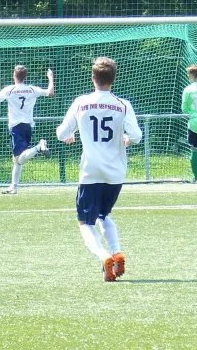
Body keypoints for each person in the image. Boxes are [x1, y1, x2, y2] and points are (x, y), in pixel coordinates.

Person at [56, 57, 142, 282]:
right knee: (104, 214)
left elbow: (61, 133)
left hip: (91, 170)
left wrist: (69, 136)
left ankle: (105, 257)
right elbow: (136, 136)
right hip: (115, 173)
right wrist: (126, 140)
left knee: (85, 222)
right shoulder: (123, 105)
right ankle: (116, 251)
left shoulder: (81, 102)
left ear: (93, 78)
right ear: (113, 79)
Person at [0, 65, 54, 194]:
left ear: (14, 75)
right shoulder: (31, 89)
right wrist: (50, 78)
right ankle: (14, 187)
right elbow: (50, 92)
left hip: (16, 127)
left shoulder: (10, 90)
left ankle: (39, 147)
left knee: (19, 158)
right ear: (25, 77)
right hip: (28, 126)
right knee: (17, 160)